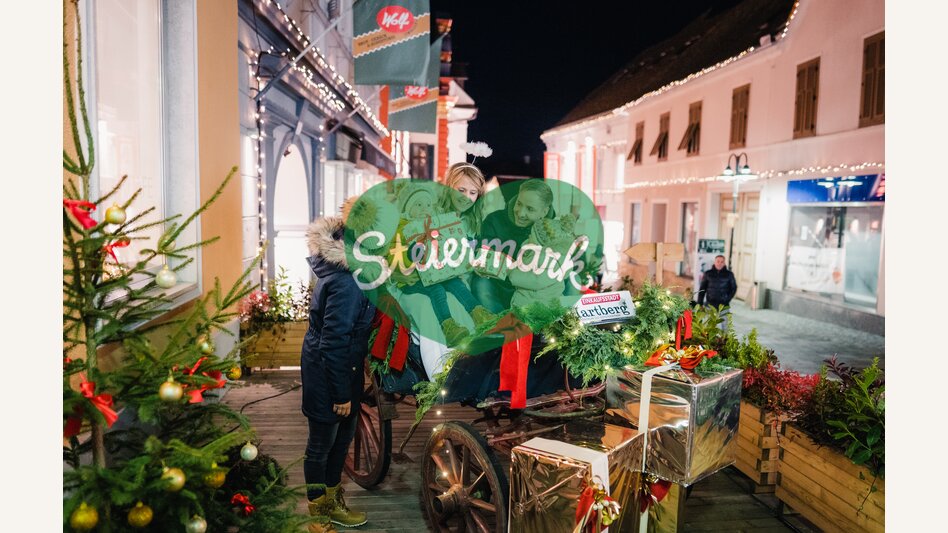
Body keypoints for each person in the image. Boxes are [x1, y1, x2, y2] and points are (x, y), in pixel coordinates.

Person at [300, 198, 375, 533]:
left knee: (342, 439)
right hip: (328, 369)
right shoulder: (348, 281)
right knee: (322, 442)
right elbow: (333, 341)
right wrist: (342, 393)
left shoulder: (359, 270)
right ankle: (318, 513)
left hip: (346, 365)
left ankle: (332, 503)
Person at [472, 179, 556, 312]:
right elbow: (484, 258)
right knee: (481, 283)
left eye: (530, 209)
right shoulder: (494, 221)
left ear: (544, 212)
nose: (521, 213)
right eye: (519, 204)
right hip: (498, 285)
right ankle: (497, 327)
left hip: (531, 288)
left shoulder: (553, 234)